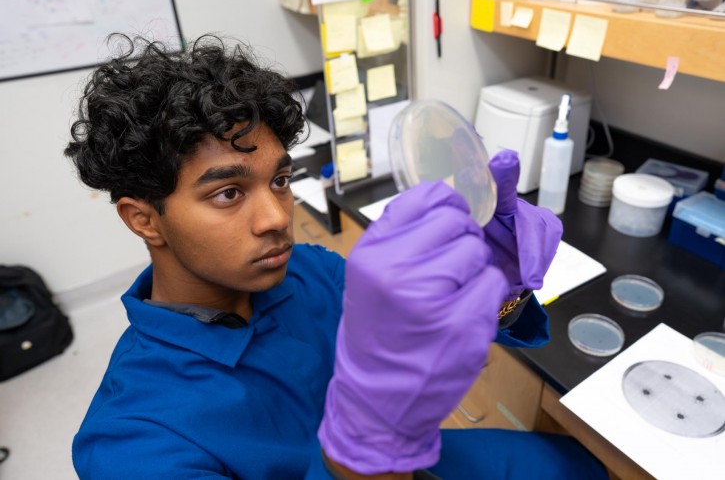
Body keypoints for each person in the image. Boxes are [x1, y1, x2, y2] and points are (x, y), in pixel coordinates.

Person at [65, 34, 607, 479]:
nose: (277, 216)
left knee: (579, 467)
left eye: (279, 180)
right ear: (144, 219)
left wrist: (498, 286)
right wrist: (369, 444)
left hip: (423, 464)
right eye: (228, 192)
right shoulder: (133, 444)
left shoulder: (311, 272)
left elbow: (423, 324)